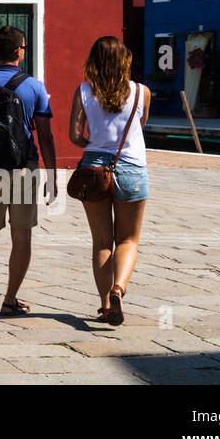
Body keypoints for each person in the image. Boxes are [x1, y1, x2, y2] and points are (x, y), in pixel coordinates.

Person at [0, 25, 57, 323]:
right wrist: (51, 175)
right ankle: (10, 300)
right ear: (19, 51)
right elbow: (45, 135)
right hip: (24, 168)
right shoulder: (35, 87)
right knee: (21, 237)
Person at [68, 36, 150, 326]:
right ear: (125, 60)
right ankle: (119, 288)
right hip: (132, 170)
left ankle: (105, 305)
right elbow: (139, 127)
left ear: (94, 61)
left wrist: (95, 143)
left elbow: (75, 136)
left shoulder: (84, 91)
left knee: (102, 241)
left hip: (94, 171)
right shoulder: (142, 92)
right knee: (128, 239)